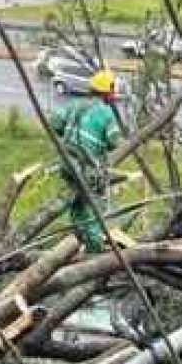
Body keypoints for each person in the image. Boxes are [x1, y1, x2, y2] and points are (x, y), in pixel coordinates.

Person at [47, 68, 123, 253]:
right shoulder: (106, 113)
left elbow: (55, 123)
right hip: (88, 172)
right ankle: (95, 247)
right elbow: (114, 143)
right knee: (97, 208)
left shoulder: (74, 104)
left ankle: (80, 236)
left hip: (67, 166)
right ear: (107, 92)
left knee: (77, 205)